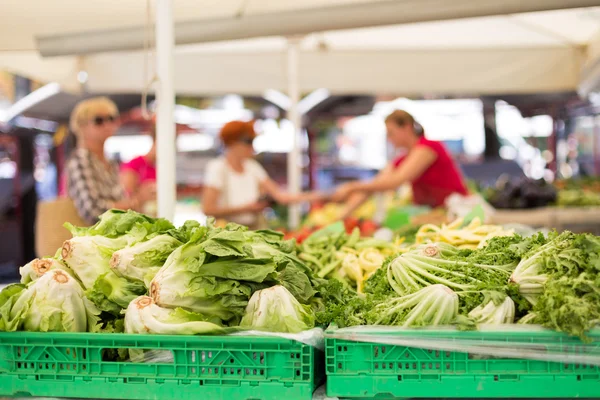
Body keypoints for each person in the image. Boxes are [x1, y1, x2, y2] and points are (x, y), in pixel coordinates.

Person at [332, 110, 468, 217]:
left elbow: (395, 182)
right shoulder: (402, 159)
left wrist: (351, 186)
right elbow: (376, 184)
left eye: (391, 133)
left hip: (457, 211)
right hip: (434, 213)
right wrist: (342, 216)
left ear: (407, 127)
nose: (389, 138)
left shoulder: (428, 147)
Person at [202, 120, 322, 228]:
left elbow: (280, 196)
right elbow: (208, 209)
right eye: (248, 141)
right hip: (225, 233)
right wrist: (246, 209)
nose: (252, 147)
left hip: (251, 230)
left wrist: (322, 196)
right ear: (232, 142)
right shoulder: (218, 168)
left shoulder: (252, 167)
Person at [66, 97, 156, 224]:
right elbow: (93, 211)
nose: (107, 124)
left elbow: (119, 201)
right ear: (81, 126)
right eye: (99, 120)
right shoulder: (81, 160)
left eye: (111, 119)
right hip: (92, 240)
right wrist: (138, 200)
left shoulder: (110, 163)